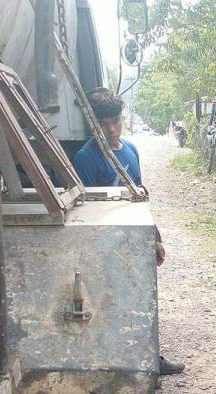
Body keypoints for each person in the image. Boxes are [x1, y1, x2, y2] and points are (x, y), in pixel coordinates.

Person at [72, 88, 185, 377]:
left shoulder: (131, 150)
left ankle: (150, 360)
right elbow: (83, 213)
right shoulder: (85, 159)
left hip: (134, 241)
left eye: (115, 121)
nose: (111, 129)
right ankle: (123, 366)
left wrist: (155, 238)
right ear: (92, 123)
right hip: (103, 246)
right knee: (109, 304)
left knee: (142, 299)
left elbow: (140, 197)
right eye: (103, 123)